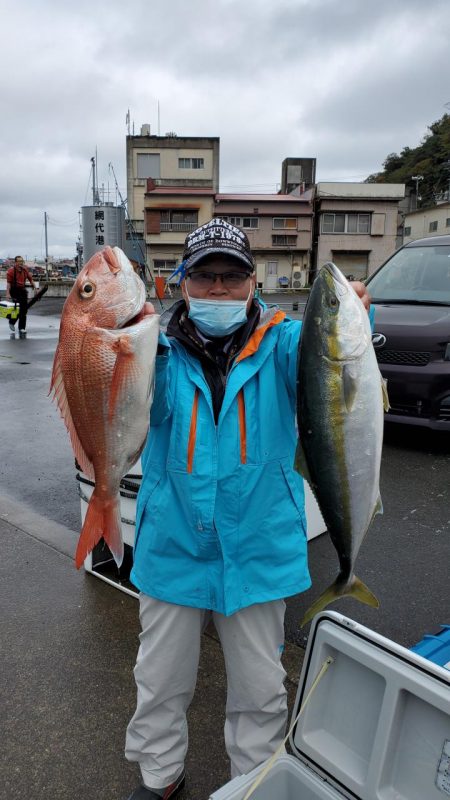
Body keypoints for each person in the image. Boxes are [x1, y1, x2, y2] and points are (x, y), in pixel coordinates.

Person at [124, 219, 371, 800]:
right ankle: (160, 776)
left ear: (253, 282)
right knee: (158, 680)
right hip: (173, 542)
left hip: (259, 544)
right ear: (182, 283)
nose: (218, 288)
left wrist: (355, 313)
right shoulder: (151, 348)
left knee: (261, 690)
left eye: (231, 277)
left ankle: (255, 783)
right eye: (205, 276)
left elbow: (334, 356)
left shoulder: (287, 343)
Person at [5, 255, 37, 338]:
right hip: (14, 290)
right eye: (19, 261)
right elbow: (8, 284)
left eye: (21, 261)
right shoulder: (11, 271)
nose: (20, 263)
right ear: (15, 262)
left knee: (24, 309)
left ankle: (21, 328)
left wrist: (35, 288)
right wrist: (8, 294)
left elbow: (30, 279)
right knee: (18, 308)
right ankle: (12, 322)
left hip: (22, 290)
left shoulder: (25, 270)